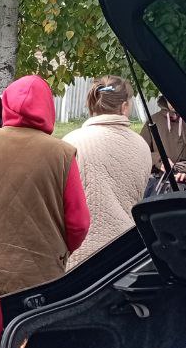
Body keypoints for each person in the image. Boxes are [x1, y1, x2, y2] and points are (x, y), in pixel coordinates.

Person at [0, 75, 91, 347]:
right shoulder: (62, 153)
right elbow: (78, 223)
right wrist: (58, 253)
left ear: (7, 106)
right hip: (39, 280)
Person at [63, 76, 152, 269]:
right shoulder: (141, 145)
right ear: (124, 107)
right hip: (125, 250)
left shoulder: (71, 142)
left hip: (78, 254)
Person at [141, 95, 186, 195]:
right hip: (164, 186)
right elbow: (141, 152)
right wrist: (159, 161)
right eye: (169, 98)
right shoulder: (153, 121)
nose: (172, 102)